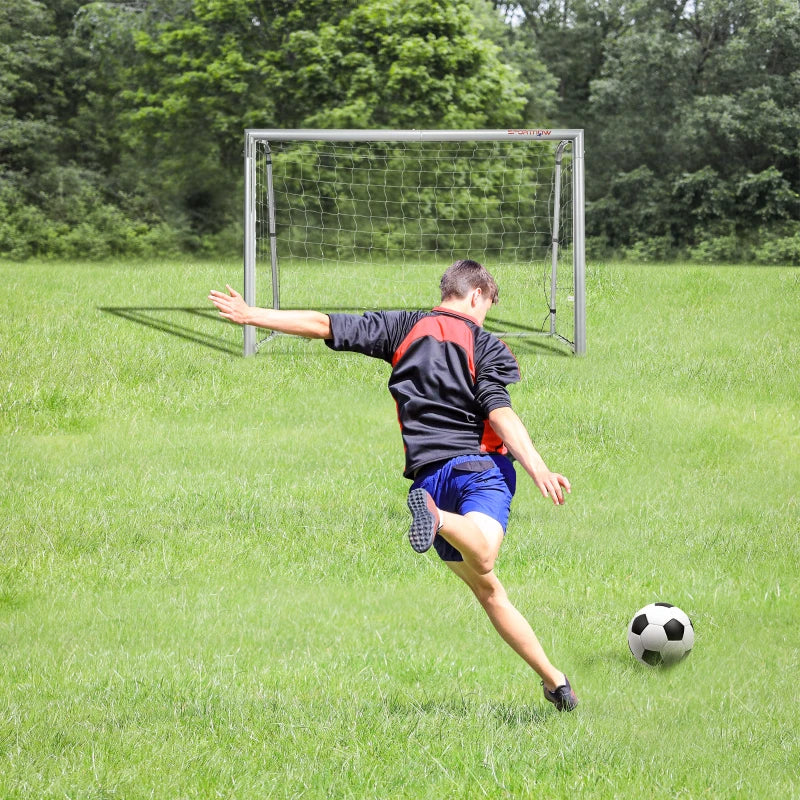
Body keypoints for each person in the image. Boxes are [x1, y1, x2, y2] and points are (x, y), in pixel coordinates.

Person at [209, 259, 578, 711]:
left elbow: (324, 324)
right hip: (478, 470)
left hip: (429, 478)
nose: (486, 316)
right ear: (477, 295)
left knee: (488, 588)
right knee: (484, 553)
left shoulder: (402, 327)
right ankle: (439, 519)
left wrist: (253, 315)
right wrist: (538, 465)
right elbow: (498, 410)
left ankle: (555, 682)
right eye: (488, 306)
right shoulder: (486, 345)